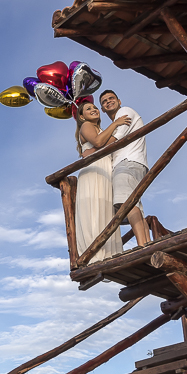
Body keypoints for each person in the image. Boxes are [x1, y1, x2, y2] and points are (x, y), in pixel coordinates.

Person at [73, 101, 130, 261]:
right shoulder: (86, 126)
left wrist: (95, 149)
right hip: (94, 171)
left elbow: (106, 144)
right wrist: (116, 123)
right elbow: (99, 142)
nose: (94, 109)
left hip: (104, 169)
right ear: (82, 116)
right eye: (88, 109)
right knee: (95, 207)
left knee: (105, 208)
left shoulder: (100, 130)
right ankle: (94, 253)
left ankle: (108, 252)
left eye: (94, 107)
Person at [99, 90, 151, 246]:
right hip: (133, 163)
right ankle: (147, 243)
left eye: (111, 99)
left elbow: (115, 142)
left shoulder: (125, 112)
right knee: (134, 205)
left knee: (126, 204)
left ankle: (142, 245)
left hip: (128, 162)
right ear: (102, 108)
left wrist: (97, 146)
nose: (108, 102)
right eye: (104, 101)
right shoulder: (115, 123)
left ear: (119, 101)